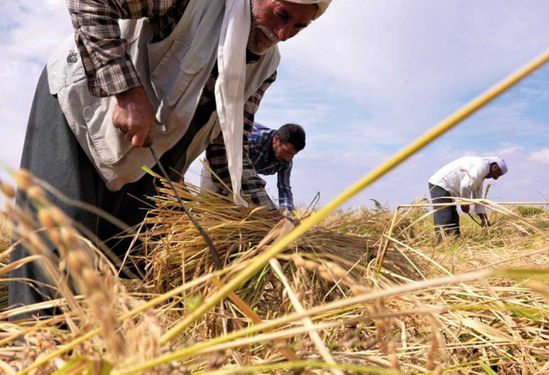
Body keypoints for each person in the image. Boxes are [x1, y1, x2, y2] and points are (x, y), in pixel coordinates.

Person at [9, 0, 331, 317]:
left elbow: (228, 150)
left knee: (130, 270)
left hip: (152, 157)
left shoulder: (266, 66)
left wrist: (272, 219)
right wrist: (126, 90)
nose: (283, 32)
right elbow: (90, 3)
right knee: (56, 264)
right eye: (281, 15)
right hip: (84, 116)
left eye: (299, 27)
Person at [201, 123, 305, 212]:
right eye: (287, 151)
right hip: (219, 161)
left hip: (244, 171)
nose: (288, 158)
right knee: (210, 205)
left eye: (293, 154)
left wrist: (287, 212)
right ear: (276, 140)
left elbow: (284, 188)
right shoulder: (253, 140)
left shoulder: (286, 160)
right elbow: (243, 176)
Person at [427, 156, 508, 240]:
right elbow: (465, 186)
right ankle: (443, 245)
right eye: (497, 174)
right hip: (440, 184)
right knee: (445, 216)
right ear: (494, 167)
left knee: (453, 217)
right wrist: (465, 203)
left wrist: (484, 219)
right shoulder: (481, 166)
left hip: (447, 188)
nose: (496, 178)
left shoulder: (481, 174)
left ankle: (455, 241)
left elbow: (478, 199)